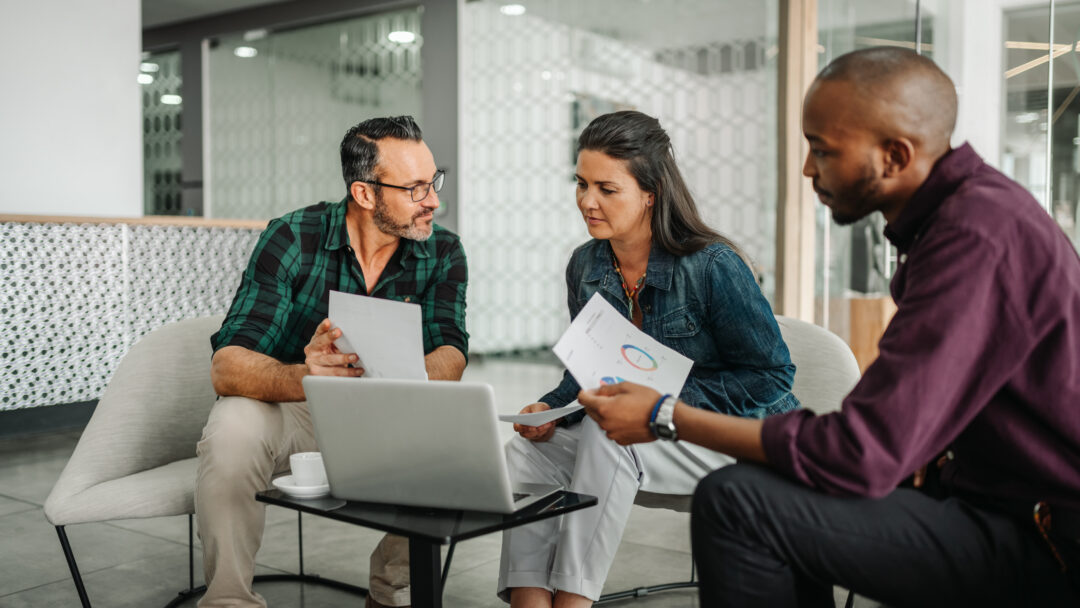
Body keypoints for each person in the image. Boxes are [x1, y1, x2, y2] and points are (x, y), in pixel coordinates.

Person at [578, 47, 1080, 607]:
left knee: (737, 502)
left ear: (895, 156)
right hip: (984, 499)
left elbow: (861, 453)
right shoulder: (961, 221)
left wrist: (663, 415)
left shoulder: (976, 238)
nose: (808, 169)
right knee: (769, 488)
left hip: (1044, 538)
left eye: (824, 150)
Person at [497, 110, 800, 607]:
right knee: (528, 453)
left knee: (606, 433)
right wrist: (548, 407)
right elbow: (585, 370)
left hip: (729, 435)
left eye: (606, 189)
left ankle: (574, 601)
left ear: (650, 192)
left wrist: (658, 403)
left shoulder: (712, 265)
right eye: (580, 184)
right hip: (647, 437)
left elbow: (771, 378)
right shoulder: (586, 265)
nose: (586, 202)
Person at [197, 115, 468, 608]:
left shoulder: (443, 251)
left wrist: (398, 372)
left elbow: (452, 352)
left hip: (387, 412)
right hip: (297, 409)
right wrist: (306, 374)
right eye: (415, 189)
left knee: (456, 440)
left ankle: (389, 592)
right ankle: (228, 601)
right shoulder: (292, 236)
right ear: (365, 194)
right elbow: (227, 366)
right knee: (232, 424)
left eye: (434, 182)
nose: (433, 200)